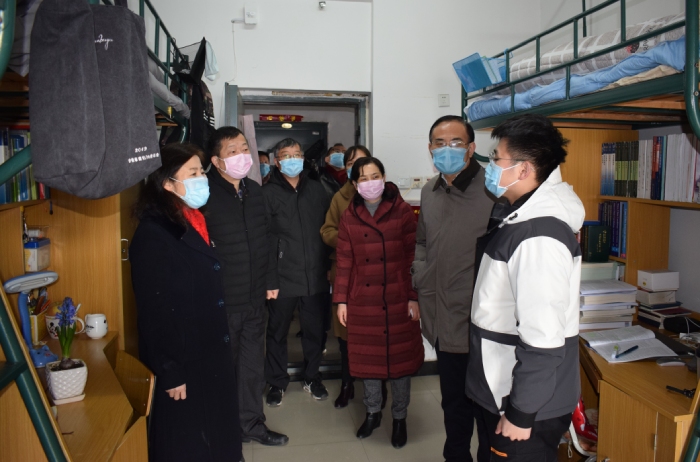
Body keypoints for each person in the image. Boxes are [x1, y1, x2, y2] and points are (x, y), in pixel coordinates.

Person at [467, 114, 584, 461]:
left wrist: (521, 413)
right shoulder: (519, 218)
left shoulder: (538, 237)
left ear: (524, 170)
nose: (490, 166)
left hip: (523, 404)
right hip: (503, 387)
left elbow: (543, 337)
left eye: (496, 158)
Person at [130, 143, 243, 462]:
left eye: (201, 172)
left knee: (216, 434)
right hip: (184, 362)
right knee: (188, 441)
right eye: (192, 173)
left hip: (207, 352)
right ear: (167, 183)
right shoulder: (153, 235)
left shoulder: (192, 220)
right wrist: (171, 371)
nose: (202, 179)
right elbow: (155, 313)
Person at [412, 115, 492, 462]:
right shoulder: (429, 191)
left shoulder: (492, 190)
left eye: (456, 143)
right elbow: (421, 242)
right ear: (430, 149)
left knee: (487, 411)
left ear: (471, 148)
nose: (447, 149)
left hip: (482, 322)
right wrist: (420, 274)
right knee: (453, 406)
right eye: (440, 143)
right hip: (442, 319)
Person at [205, 127, 288, 447]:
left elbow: (268, 237)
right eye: (232, 151)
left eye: (244, 149)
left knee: (252, 367)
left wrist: (271, 280)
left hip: (254, 298)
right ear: (216, 161)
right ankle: (222, 429)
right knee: (221, 369)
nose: (242, 156)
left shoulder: (255, 191)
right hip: (221, 300)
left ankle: (252, 425)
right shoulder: (205, 193)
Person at [334, 156, 424, 449]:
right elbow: (344, 261)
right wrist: (341, 301)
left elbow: (413, 257)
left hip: (397, 298)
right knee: (368, 361)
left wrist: (413, 297)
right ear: (354, 183)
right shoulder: (349, 216)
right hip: (364, 300)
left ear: (384, 178)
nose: (370, 183)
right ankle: (372, 413)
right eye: (363, 178)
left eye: (375, 176)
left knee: (400, 363)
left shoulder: (402, 211)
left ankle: (399, 418)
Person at [263, 137, 332, 405]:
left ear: (303, 158)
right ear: (277, 162)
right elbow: (264, 240)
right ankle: (277, 382)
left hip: (314, 275)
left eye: (297, 154)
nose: (292, 159)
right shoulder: (267, 194)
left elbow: (326, 231)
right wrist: (269, 278)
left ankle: (312, 377)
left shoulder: (317, 190)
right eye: (286, 155)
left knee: (315, 331)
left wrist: (327, 268)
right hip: (281, 277)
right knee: (277, 332)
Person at [320, 145, 372, 408]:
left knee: (374, 333)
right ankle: (347, 384)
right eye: (351, 163)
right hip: (345, 274)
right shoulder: (340, 197)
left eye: (361, 161)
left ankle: (376, 389)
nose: (356, 166)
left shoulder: (384, 194)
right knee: (346, 335)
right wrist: (347, 239)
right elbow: (326, 230)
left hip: (376, 275)